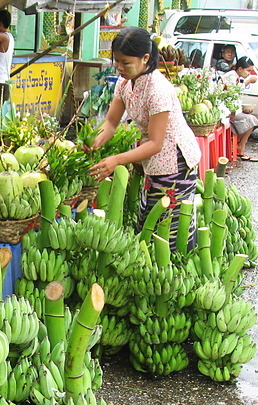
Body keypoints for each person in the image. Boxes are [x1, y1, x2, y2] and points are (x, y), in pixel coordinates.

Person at [86, 27, 201, 249]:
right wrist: (96, 139)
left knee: (170, 227)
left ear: (145, 58)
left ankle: (177, 273)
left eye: (125, 62)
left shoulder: (157, 89)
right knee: (149, 216)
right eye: (116, 61)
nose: (119, 67)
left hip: (175, 161)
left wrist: (117, 160)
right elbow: (111, 122)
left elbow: (157, 143)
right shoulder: (125, 82)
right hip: (152, 159)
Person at [222, 56, 258, 162]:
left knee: (252, 120)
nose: (249, 73)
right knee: (251, 120)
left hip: (232, 110)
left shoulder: (236, 76)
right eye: (248, 70)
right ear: (240, 69)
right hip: (225, 111)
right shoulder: (231, 76)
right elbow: (231, 93)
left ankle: (240, 145)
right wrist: (247, 82)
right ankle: (240, 146)